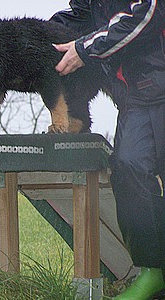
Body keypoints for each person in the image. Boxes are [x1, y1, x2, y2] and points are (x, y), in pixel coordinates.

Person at [50, 0, 165, 299]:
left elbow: (147, 15)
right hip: (137, 93)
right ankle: (152, 272)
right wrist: (40, 37)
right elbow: (82, 16)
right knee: (127, 167)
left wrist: (85, 49)